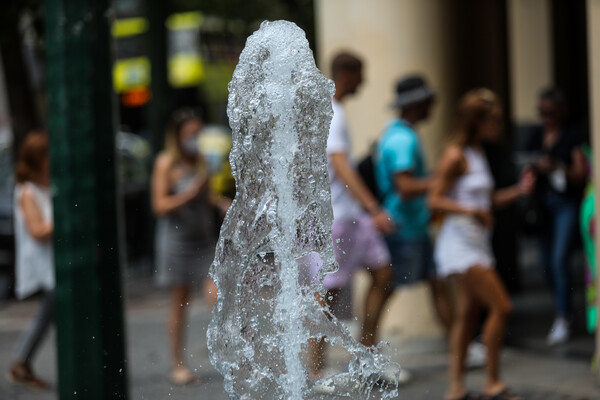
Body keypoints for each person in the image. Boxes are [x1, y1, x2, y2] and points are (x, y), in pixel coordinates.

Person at [429, 88, 535, 400]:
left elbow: (486, 201)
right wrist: (470, 210)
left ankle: (456, 387)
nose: (499, 125)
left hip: (477, 242)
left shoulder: (477, 153)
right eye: (495, 120)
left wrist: (517, 191)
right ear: (476, 121)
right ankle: (492, 382)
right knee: (502, 306)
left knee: (468, 314)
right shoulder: (455, 155)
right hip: (459, 245)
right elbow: (433, 200)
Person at [306, 52, 400, 383]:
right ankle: (317, 371)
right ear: (347, 74)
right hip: (340, 219)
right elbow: (341, 163)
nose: (365, 81)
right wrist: (375, 208)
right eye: (361, 74)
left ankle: (365, 358)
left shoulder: (337, 110)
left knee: (383, 272)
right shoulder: (332, 110)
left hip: (351, 215)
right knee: (327, 295)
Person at [374, 75, 455, 341]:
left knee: (437, 283)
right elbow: (405, 187)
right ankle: (365, 351)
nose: (432, 106)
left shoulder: (398, 133)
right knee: (385, 287)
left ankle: (458, 343)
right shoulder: (402, 140)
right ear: (417, 103)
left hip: (413, 226)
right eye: (429, 101)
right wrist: (439, 180)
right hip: (403, 227)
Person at [152, 108, 229, 385]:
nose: (196, 138)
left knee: (218, 297)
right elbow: (159, 205)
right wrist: (189, 193)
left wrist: (219, 203)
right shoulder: (166, 164)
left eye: (199, 133)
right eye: (191, 134)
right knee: (179, 303)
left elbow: (206, 196)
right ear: (177, 136)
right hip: (176, 243)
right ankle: (178, 364)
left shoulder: (201, 160)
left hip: (203, 241)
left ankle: (233, 356)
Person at [526, 88, 587, 345]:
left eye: (550, 112)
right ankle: (564, 309)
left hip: (565, 203)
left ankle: (564, 316)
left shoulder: (573, 136)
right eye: (541, 113)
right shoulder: (536, 136)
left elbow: (580, 173)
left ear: (561, 111)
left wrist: (556, 166)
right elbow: (525, 165)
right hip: (542, 205)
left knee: (559, 259)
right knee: (546, 264)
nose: (546, 118)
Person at [8, 131, 54, 389]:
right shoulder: (27, 192)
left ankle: (22, 362)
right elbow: (37, 230)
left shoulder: (48, 185)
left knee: (49, 314)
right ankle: (20, 360)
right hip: (43, 263)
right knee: (49, 312)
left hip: (53, 263)